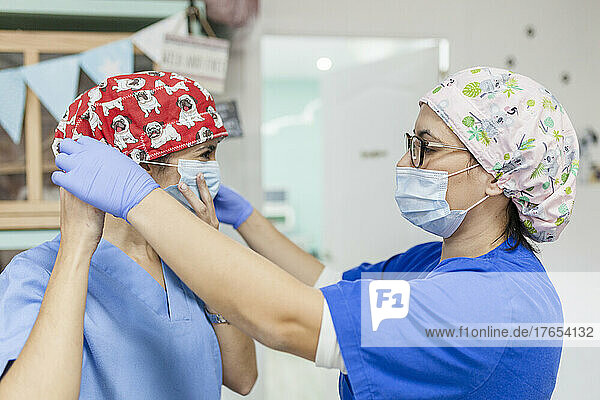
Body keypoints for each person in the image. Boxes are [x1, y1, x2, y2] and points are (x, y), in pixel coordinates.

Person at [48, 67, 578, 399]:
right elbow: (328, 281)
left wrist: (138, 198)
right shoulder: (440, 265)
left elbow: (292, 320)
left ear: (495, 173)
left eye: (426, 147)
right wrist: (247, 220)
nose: (403, 160)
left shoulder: (488, 303)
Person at [0, 72, 257, 399]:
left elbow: (243, 378)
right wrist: (74, 252)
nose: (213, 170)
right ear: (140, 167)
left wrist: (211, 258)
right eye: (204, 156)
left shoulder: (185, 259)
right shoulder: (35, 274)